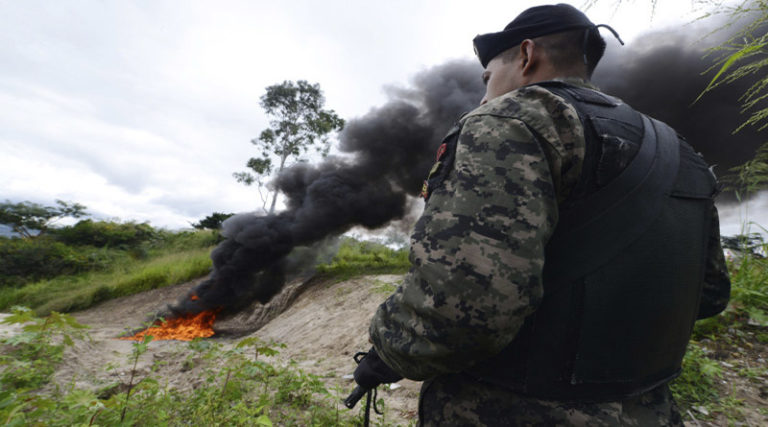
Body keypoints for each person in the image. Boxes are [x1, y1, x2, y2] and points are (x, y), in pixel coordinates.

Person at [351, 3, 731, 426]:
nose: (482, 95)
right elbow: (709, 293)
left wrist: (387, 352)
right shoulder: (678, 148)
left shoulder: (513, 120)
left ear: (527, 55)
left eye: (487, 78)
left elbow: (463, 305)